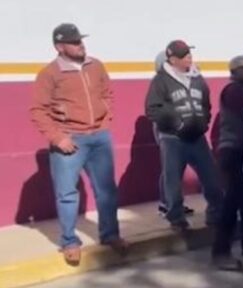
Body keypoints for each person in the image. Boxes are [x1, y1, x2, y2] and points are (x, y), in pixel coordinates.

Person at [30, 24, 127, 265]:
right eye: (74, 42)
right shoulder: (49, 74)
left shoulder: (96, 66)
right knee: (67, 195)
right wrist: (58, 138)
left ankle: (110, 234)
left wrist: (106, 119)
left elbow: (107, 94)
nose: (80, 45)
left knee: (106, 191)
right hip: (69, 140)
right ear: (59, 47)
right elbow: (38, 111)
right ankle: (69, 242)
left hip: (99, 138)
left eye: (80, 40)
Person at [144, 40, 223, 232]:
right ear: (172, 59)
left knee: (211, 177)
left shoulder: (197, 78)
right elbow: (152, 109)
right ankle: (176, 218)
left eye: (189, 53)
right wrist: (176, 123)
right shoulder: (161, 81)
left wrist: (204, 122)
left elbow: (206, 104)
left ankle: (215, 215)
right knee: (173, 179)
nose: (189, 57)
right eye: (184, 55)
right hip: (173, 139)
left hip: (197, 138)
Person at [210, 55, 243, 271]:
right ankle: (220, 252)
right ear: (236, 71)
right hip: (234, 152)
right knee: (231, 203)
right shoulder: (234, 92)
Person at [152, 51, 194, 219]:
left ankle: (173, 202)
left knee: (177, 167)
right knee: (171, 169)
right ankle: (166, 204)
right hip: (168, 130)